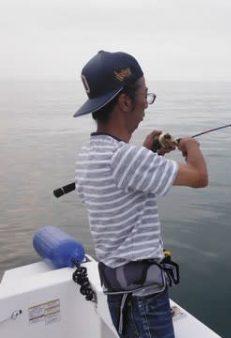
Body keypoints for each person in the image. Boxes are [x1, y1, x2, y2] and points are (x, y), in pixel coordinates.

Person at [74, 50, 208, 338]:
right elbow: (200, 178)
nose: (147, 104)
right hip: (144, 300)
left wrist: (147, 153)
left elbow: (118, 187)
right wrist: (192, 147)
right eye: (145, 95)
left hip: (118, 292)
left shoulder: (89, 156)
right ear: (125, 101)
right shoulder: (127, 159)